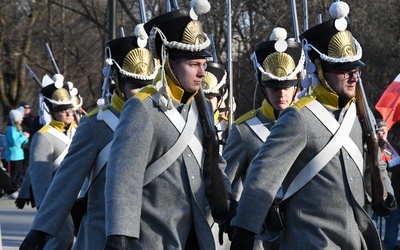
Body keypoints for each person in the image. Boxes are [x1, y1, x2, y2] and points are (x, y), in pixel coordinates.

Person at [229, 2, 396, 249]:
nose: (353, 76)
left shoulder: (359, 112)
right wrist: (244, 230)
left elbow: (373, 161)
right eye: (342, 69)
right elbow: (262, 178)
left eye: (355, 69)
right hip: (312, 241)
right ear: (320, 69)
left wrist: (386, 192)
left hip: (356, 240)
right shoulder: (298, 117)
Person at [103, 3, 234, 249]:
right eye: (194, 65)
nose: (202, 73)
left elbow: (213, 161)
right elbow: (124, 177)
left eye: (203, 65)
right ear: (170, 63)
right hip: (154, 236)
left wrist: (224, 197)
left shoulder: (202, 106)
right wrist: (119, 233)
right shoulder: (142, 107)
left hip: (195, 233)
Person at [19, 35, 158, 250]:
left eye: (147, 85)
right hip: (102, 234)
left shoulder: (161, 119)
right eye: (135, 85)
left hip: (152, 236)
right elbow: (66, 180)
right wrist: (41, 227)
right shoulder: (96, 125)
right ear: (118, 82)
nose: (142, 94)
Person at [222, 27, 304, 249]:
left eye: (288, 85)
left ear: (298, 84)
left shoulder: (312, 123)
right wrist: (232, 211)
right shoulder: (245, 130)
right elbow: (226, 180)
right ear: (262, 86)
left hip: (307, 231)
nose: (281, 93)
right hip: (264, 235)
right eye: (274, 86)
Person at [17, 73, 79, 250]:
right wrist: (46, 211)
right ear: (51, 111)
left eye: (69, 109)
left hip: (79, 197)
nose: (68, 113)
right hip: (56, 200)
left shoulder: (78, 133)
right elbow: (40, 178)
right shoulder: (43, 136)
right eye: (62, 110)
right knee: (61, 240)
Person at [376, 120, 400, 250]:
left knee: (393, 225)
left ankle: (391, 247)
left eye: (385, 129)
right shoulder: (368, 147)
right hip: (375, 193)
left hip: (395, 193)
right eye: (380, 129)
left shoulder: (395, 149)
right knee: (372, 224)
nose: (383, 132)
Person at [5, 108, 30, 199]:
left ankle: (16, 188)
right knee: (14, 174)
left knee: (19, 173)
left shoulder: (17, 128)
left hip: (19, 154)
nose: (22, 119)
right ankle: (11, 190)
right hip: (13, 155)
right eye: (20, 118)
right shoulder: (10, 129)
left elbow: (22, 141)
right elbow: (14, 142)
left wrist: (25, 138)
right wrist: (24, 137)